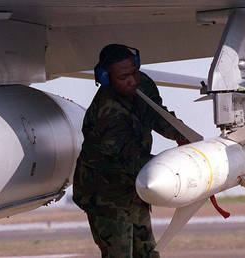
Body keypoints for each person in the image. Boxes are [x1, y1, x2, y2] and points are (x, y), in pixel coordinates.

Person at [72, 44, 188, 258]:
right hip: (106, 196)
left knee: (146, 252)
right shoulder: (108, 113)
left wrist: (181, 134)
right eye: (124, 77)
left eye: (134, 72)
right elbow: (131, 159)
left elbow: (157, 114)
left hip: (134, 189)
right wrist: (177, 171)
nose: (132, 80)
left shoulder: (142, 84)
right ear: (107, 78)